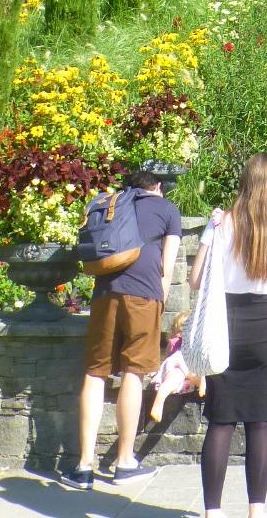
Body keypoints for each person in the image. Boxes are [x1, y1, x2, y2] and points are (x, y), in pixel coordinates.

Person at [189, 153, 267, 518]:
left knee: (221, 420)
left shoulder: (223, 225)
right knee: (260, 420)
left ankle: (213, 511)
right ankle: (257, 510)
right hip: (266, 326)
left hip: (225, 324)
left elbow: (195, 282)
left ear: (246, 182)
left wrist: (210, 232)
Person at [64, 168, 181, 487]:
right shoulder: (168, 209)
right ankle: (125, 462)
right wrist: (159, 300)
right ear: (158, 186)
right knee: (133, 371)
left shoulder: (113, 202)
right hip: (143, 294)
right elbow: (166, 268)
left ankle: (84, 467)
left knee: (95, 372)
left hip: (104, 294)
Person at [148, 310, 205, 421]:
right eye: (179, 330)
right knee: (174, 378)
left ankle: (202, 383)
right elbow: (168, 358)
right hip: (178, 364)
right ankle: (158, 403)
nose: (181, 333)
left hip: (187, 367)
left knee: (190, 376)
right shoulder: (175, 342)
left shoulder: (196, 345)